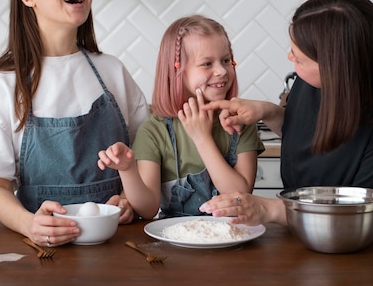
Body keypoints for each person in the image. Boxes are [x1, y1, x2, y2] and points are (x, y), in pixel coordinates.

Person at [0, 0, 150, 246]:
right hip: (42, 247)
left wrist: (129, 199)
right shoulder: (2, 86)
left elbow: (143, 160)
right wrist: (29, 224)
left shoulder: (113, 71)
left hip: (117, 245)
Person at [199, 0, 373, 225]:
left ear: (337, 67)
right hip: (305, 232)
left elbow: (364, 213)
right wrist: (269, 112)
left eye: (300, 59)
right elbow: (313, 135)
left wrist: (270, 209)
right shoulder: (313, 82)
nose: (290, 57)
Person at [98, 15, 265, 219]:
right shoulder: (155, 132)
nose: (221, 70)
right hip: (174, 244)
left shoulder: (241, 123)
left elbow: (240, 194)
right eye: (207, 63)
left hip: (233, 240)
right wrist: (127, 169)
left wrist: (202, 138)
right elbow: (148, 210)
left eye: (226, 60)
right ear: (176, 71)